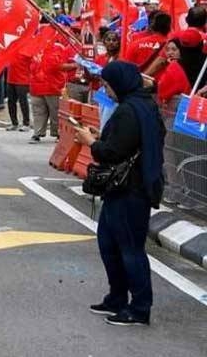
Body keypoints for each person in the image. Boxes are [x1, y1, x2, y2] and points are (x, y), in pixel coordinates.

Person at [73, 61, 164, 327]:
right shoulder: (141, 105)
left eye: (108, 85)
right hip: (126, 188)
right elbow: (126, 142)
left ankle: (139, 308)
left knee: (129, 248)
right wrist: (101, 136)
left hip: (130, 189)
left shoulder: (129, 110)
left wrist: (91, 142)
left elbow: (112, 152)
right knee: (109, 243)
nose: (106, 90)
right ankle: (116, 297)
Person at [28, 28, 75, 143]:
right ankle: (51, 133)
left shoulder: (36, 47)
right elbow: (57, 66)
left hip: (44, 86)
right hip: (48, 86)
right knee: (52, 111)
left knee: (46, 112)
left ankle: (41, 133)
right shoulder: (54, 48)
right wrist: (76, 65)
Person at [154, 30, 204, 105]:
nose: (170, 53)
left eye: (174, 49)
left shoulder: (175, 67)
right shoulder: (204, 63)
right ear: (201, 44)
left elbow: (162, 94)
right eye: (167, 50)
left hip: (186, 110)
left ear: (181, 47)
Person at [6, 46, 32, 132]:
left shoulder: (29, 49)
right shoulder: (12, 47)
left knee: (23, 102)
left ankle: (26, 123)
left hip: (22, 80)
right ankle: (14, 123)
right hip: (11, 79)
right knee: (11, 102)